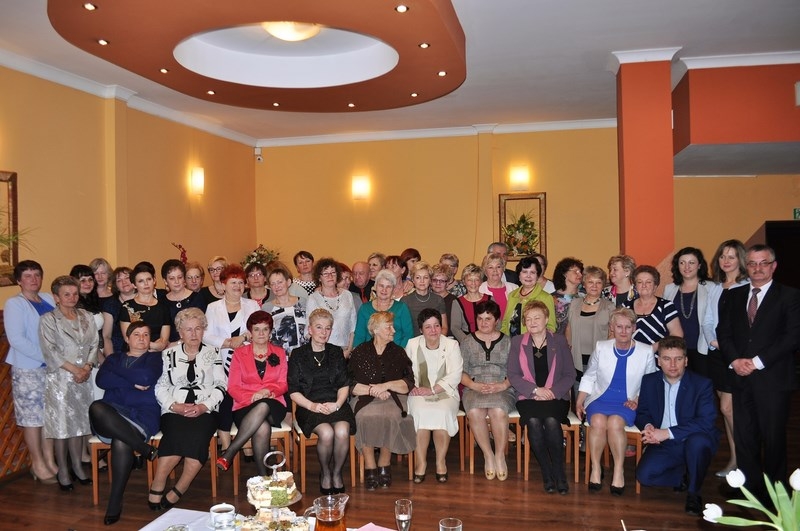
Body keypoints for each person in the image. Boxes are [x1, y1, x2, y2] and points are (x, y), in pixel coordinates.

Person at [717, 244, 800, 499]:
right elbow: (724, 332)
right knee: (745, 438)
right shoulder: (733, 295)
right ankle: (750, 491)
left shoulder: (790, 296)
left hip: (773, 380)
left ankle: (777, 494)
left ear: (773, 266)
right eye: (752, 263)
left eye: (763, 263)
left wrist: (756, 362)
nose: (757, 268)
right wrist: (735, 361)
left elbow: (792, 336)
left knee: (773, 440)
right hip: (740, 378)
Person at [576, 308, 657, 496]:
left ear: (634, 328)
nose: (623, 331)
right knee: (597, 421)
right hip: (600, 398)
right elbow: (590, 376)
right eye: (619, 326)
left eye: (628, 327)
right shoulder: (602, 347)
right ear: (612, 327)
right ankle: (596, 468)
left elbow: (651, 383)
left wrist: (637, 400)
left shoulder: (645, 351)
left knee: (614, 423)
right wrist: (580, 401)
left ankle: (618, 470)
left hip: (628, 402)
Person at [150, 308, 225, 510]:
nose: (193, 334)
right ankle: (158, 482)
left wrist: (204, 406)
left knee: (198, 437)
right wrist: (174, 406)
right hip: (174, 409)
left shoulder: (213, 352)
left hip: (206, 409)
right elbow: (161, 387)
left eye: (198, 328)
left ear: (203, 330)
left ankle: (180, 487)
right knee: (174, 435)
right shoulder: (168, 354)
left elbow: (221, 385)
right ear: (180, 332)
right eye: (188, 329)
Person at [635, 336, 719, 517]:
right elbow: (642, 413)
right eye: (667, 359)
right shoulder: (649, 381)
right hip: (665, 444)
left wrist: (667, 432)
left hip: (693, 439)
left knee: (698, 443)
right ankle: (685, 475)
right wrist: (649, 427)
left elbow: (706, 422)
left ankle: (694, 493)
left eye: (678, 359)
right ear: (659, 361)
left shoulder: (702, 384)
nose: (672, 365)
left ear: (686, 361)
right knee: (644, 477)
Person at [89, 321, 162, 525]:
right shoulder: (114, 358)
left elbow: (146, 377)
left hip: (142, 414)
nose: (142, 338)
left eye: (146, 334)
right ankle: (143, 448)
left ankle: (114, 502)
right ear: (127, 339)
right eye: (136, 334)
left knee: (121, 441)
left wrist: (117, 371)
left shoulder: (155, 358)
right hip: (110, 416)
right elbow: (101, 380)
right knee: (96, 407)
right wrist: (131, 381)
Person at [508, 301, 575, 494]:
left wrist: (551, 392)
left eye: (537, 318)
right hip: (529, 396)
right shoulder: (517, 342)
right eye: (528, 319)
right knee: (534, 422)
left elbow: (569, 374)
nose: (532, 322)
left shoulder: (559, 341)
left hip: (556, 396)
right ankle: (546, 471)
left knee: (552, 421)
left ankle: (559, 472)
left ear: (546, 319)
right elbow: (513, 375)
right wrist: (536, 391)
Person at [39, 275, 99, 490]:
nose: (72, 298)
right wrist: (75, 370)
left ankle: (78, 467)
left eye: (75, 293)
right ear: (56, 297)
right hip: (61, 380)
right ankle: (63, 470)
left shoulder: (86, 316)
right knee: (62, 426)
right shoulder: (48, 320)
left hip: (83, 378)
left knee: (80, 424)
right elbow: (50, 351)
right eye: (66, 294)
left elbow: (94, 343)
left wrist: (87, 368)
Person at [289, 309, 356, 494]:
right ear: (310, 330)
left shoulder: (336, 352)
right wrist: (313, 406)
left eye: (327, 328)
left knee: (342, 431)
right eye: (319, 327)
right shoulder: (298, 354)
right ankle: (325, 472)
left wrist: (337, 404)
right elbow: (293, 391)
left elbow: (344, 384)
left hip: (335, 403)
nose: (323, 332)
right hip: (309, 405)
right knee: (326, 433)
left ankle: (337, 472)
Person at [349, 311, 416, 490]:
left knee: (391, 416)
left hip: (393, 397)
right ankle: (370, 465)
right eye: (389, 327)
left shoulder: (398, 352)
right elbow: (350, 384)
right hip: (364, 397)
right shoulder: (360, 352)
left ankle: (384, 462)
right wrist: (373, 390)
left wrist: (386, 386)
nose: (393, 331)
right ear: (376, 330)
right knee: (363, 417)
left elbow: (408, 383)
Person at [216, 311, 289, 477]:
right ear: (250, 332)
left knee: (263, 405)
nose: (261, 333)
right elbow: (233, 387)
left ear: (270, 332)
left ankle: (230, 452)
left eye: (265, 329)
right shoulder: (239, 354)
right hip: (245, 406)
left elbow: (283, 384)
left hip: (273, 403)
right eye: (256, 329)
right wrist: (251, 397)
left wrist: (267, 391)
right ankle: (264, 477)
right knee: (262, 428)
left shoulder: (279, 352)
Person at [4, 260, 58, 483]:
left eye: (37, 274)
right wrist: (47, 357)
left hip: (52, 369)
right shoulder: (14, 304)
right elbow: (17, 340)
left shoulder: (47, 299)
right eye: (27, 275)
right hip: (29, 368)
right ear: (19, 280)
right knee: (32, 419)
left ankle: (50, 460)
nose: (33, 279)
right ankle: (37, 463)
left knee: (49, 416)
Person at [702, 239, 748, 477]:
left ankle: (745, 460)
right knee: (728, 410)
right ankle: (735, 459)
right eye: (722, 256)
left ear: (740, 259)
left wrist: (731, 348)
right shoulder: (715, 288)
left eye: (731, 256)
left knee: (728, 408)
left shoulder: (748, 286)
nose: (726, 261)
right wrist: (713, 341)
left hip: (738, 355)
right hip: (717, 354)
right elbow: (708, 321)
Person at [205, 264, 260, 451]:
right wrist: (228, 343)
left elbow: (259, 329)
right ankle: (226, 444)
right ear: (223, 284)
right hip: (221, 360)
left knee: (243, 398)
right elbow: (206, 335)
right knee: (224, 394)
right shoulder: (213, 307)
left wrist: (242, 338)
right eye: (233, 282)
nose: (237, 286)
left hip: (247, 361)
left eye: (241, 282)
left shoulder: (252, 305)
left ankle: (245, 443)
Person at [407, 309, 463, 483]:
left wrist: (432, 390)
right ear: (421, 330)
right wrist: (413, 387)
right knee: (419, 412)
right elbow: (405, 371)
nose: (433, 330)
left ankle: (440, 462)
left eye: (436, 326)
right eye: (428, 327)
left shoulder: (452, 345)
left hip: (446, 391)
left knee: (442, 412)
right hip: (418, 391)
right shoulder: (412, 344)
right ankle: (421, 463)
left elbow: (455, 375)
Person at [460, 300, 514, 481]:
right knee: (475, 412)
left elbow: (516, 371)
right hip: (474, 387)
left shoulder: (507, 341)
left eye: (488, 319)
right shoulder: (467, 341)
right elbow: (460, 371)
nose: (483, 323)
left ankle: (499, 456)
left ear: (496, 320)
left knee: (498, 411)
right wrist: (473, 385)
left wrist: (503, 385)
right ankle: (488, 455)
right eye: (480, 318)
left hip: (502, 387)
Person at [565, 266, 615, 397]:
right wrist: (568, 350)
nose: (594, 286)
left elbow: (612, 333)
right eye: (590, 282)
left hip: (599, 360)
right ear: (584, 284)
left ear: (603, 285)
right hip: (576, 359)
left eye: (598, 282)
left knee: (595, 397)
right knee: (578, 397)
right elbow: (569, 328)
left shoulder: (609, 307)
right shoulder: (574, 303)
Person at [663, 248, 713, 377]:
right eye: (682, 262)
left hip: (702, 348)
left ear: (699, 265)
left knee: (702, 385)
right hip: (676, 349)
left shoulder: (711, 287)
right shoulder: (669, 289)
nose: (687, 267)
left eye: (691, 262)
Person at [305, 258, 357, 358]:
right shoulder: (313, 298)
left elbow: (353, 326)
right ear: (319, 277)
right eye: (325, 273)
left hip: (345, 351)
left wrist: (348, 351)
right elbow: (309, 330)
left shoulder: (347, 295)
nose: (330, 276)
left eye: (333, 272)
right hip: (323, 352)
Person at [623, 265, 683, 350]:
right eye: (639, 282)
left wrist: (651, 349)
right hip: (630, 354)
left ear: (655, 286)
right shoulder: (626, 306)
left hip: (659, 355)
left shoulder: (666, 306)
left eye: (648, 282)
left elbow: (677, 335)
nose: (644, 285)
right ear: (635, 286)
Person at [353, 270, 414, 348]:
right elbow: (359, 337)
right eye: (381, 286)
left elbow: (408, 335)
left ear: (393, 289)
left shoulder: (401, 308)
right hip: (369, 353)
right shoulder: (365, 309)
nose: (384, 290)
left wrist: (399, 352)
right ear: (375, 287)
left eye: (388, 287)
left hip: (397, 352)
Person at [118, 262, 171, 352]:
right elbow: (128, 340)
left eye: (149, 279)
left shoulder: (163, 307)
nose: (146, 283)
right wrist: (153, 346)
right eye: (141, 281)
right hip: (133, 354)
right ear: (134, 285)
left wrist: (151, 347)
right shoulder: (127, 307)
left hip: (156, 355)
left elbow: (163, 342)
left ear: (154, 280)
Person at [501, 255, 556, 337]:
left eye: (532, 272)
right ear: (519, 275)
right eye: (524, 272)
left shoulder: (545, 297)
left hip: (532, 343)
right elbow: (505, 322)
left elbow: (551, 327)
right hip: (510, 342)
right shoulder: (512, 295)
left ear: (537, 276)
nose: (528, 276)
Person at [263, 266, 309, 355]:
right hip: (280, 355)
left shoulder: (303, 302)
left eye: (280, 282)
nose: (277, 286)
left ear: (288, 282)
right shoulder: (267, 308)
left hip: (304, 354)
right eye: (273, 284)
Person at [160, 259, 206, 342]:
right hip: (170, 346)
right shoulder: (162, 301)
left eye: (180, 277)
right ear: (165, 281)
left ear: (184, 278)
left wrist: (179, 343)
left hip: (194, 343)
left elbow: (202, 326)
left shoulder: (197, 298)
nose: (176, 282)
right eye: (172, 278)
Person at [402, 261, 448, 335]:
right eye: (418, 278)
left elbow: (444, 327)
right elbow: (402, 329)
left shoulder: (438, 300)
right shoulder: (405, 301)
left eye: (425, 277)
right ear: (413, 280)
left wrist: (436, 340)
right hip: (412, 340)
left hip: (435, 339)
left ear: (430, 280)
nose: (422, 281)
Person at [450, 264, 492, 343]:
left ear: (481, 282)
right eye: (469, 280)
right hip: (466, 342)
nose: (473, 283)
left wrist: (489, 339)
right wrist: (469, 343)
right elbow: (455, 328)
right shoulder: (457, 303)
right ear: (464, 282)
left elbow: (497, 323)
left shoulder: (490, 299)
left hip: (488, 341)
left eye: (476, 280)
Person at [101, 266, 135, 358]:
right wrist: (112, 360)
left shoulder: (145, 300)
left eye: (127, 278)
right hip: (118, 353)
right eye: (119, 280)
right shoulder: (110, 304)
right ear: (116, 286)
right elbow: (106, 337)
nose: (124, 282)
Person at [479, 252, 518, 320]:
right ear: (485, 271)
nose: (495, 270)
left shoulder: (515, 288)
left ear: (503, 269)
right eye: (490, 267)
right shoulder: (479, 289)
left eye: (498, 267)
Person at [551, 257, 584, 335]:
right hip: (558, 340)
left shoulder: (585, 297)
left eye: (580, 271)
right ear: (564, 274)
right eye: (576, 271)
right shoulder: (552, 298)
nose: (580, 274)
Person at [430, 263, 457, 338]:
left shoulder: (454, 301)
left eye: (442, 281)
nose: (438, 283)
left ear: (447, 283)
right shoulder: (426, 298)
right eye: (435, 280)